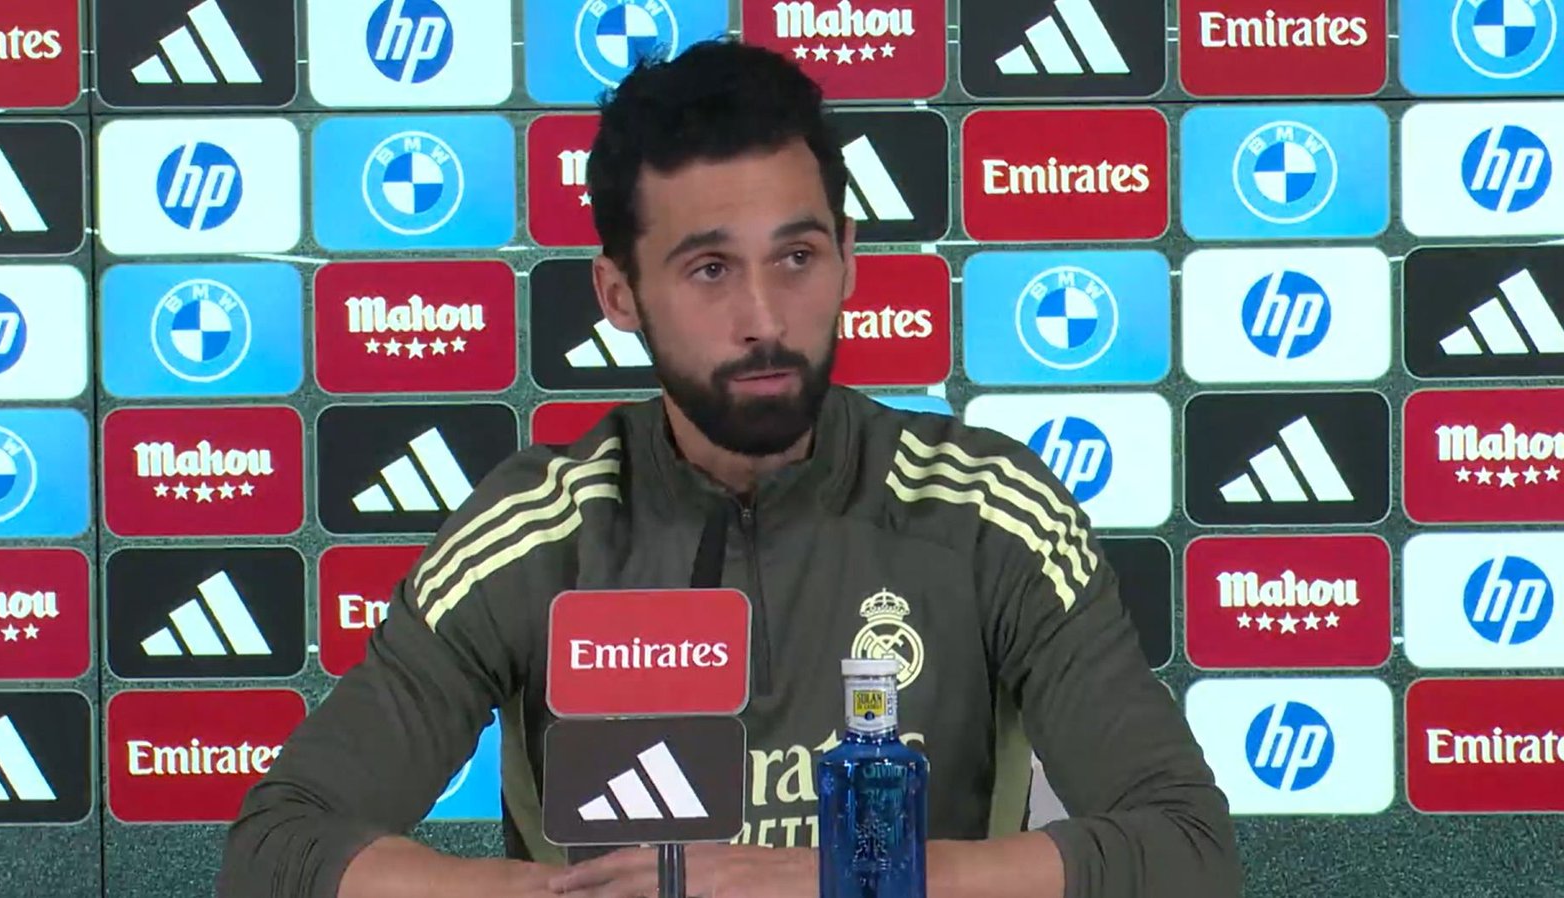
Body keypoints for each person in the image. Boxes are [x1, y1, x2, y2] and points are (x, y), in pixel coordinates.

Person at [216, 38, 1242, 898]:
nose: (763, 318)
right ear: (620, 294)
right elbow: (279, 848)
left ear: (847, 253)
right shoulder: (537, 528)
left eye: (796, 257)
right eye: (709, 269)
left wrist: (837, 876)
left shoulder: (985, 509)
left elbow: (1186, 849)